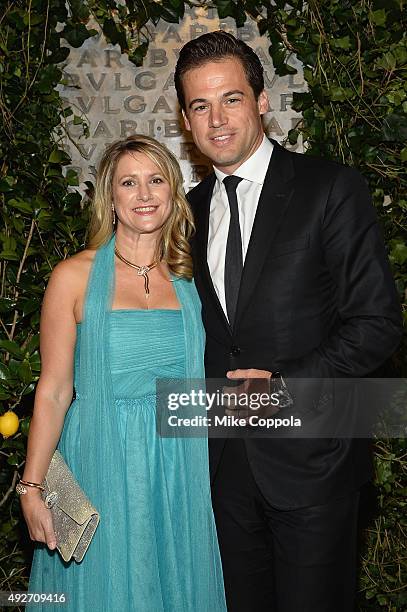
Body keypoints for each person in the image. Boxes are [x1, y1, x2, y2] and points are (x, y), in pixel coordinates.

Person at [174, 31, 403, 612]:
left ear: (262, 101)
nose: (217, 119)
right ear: (184, 118)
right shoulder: (187, 212)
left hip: (312, 463)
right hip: (222, 470)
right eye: (200, 105)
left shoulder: (329, 188)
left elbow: (376, 323)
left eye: (230, 98)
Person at [18, 135, 227, 612]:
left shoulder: (194, 278)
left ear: (173, 192)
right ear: (110, 198)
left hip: (179, 464)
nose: (144, 194)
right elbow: (53, 390)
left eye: (155, 180)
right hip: (101, 458)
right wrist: (31, 487)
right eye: (128, 183)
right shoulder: (73, 276)